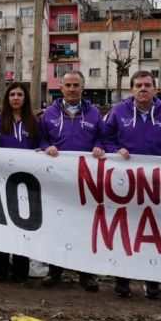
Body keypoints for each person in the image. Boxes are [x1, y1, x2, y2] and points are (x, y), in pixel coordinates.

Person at [100, 70, 161, 299]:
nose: (143, 89)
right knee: (125, 231)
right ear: (131, 90)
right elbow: (106, 139)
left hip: (157, 184)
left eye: (147, 85)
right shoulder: (118, 111)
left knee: (154, 233)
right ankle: (122, 278)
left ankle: (151, 280)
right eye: (138, 85)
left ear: (155, 89)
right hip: (125, 183)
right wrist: (115, 150)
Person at [39, 70, 105, 292]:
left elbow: (102, 138)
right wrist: (46, 146)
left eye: (76, 85)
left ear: (83, 87)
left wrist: (99, 146)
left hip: (85, 181)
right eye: (68, 85)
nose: (72, 89)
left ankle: (86, 274)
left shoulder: (94, 113)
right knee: (57, 227)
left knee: (84, 227)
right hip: (57, 181)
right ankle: (54, 270)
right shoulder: (49, 113)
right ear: (61, 88)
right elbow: (41, 139)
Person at [0, 81, 38, 283]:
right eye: (12, 95)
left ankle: (20, 270)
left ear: (25, 98)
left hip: (27, 184)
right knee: (1, 225)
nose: (16, 98)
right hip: (1, 183)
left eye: (19, 94)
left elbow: (41, 145)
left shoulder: (34, 122)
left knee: (23, 227)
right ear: (7, 99)